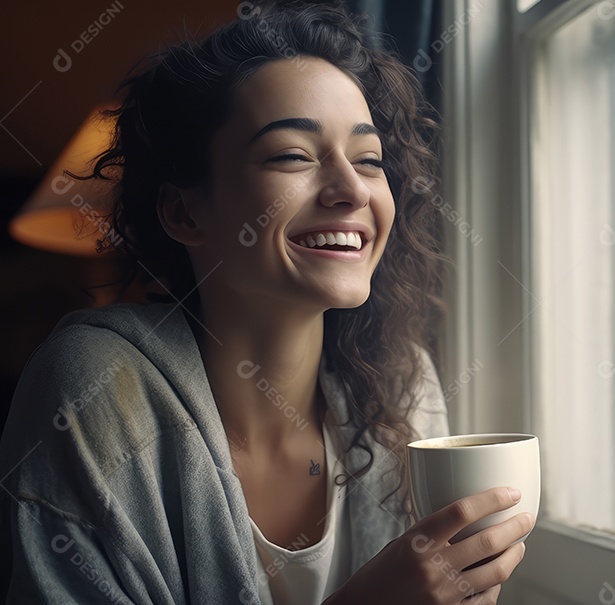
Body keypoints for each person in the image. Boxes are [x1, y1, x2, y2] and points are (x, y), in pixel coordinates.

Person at [0, 1, 533, 603]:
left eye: (370, 160)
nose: (352, 189)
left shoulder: (403, 383)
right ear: (183, 211)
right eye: (292, 156)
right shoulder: (94, 388)